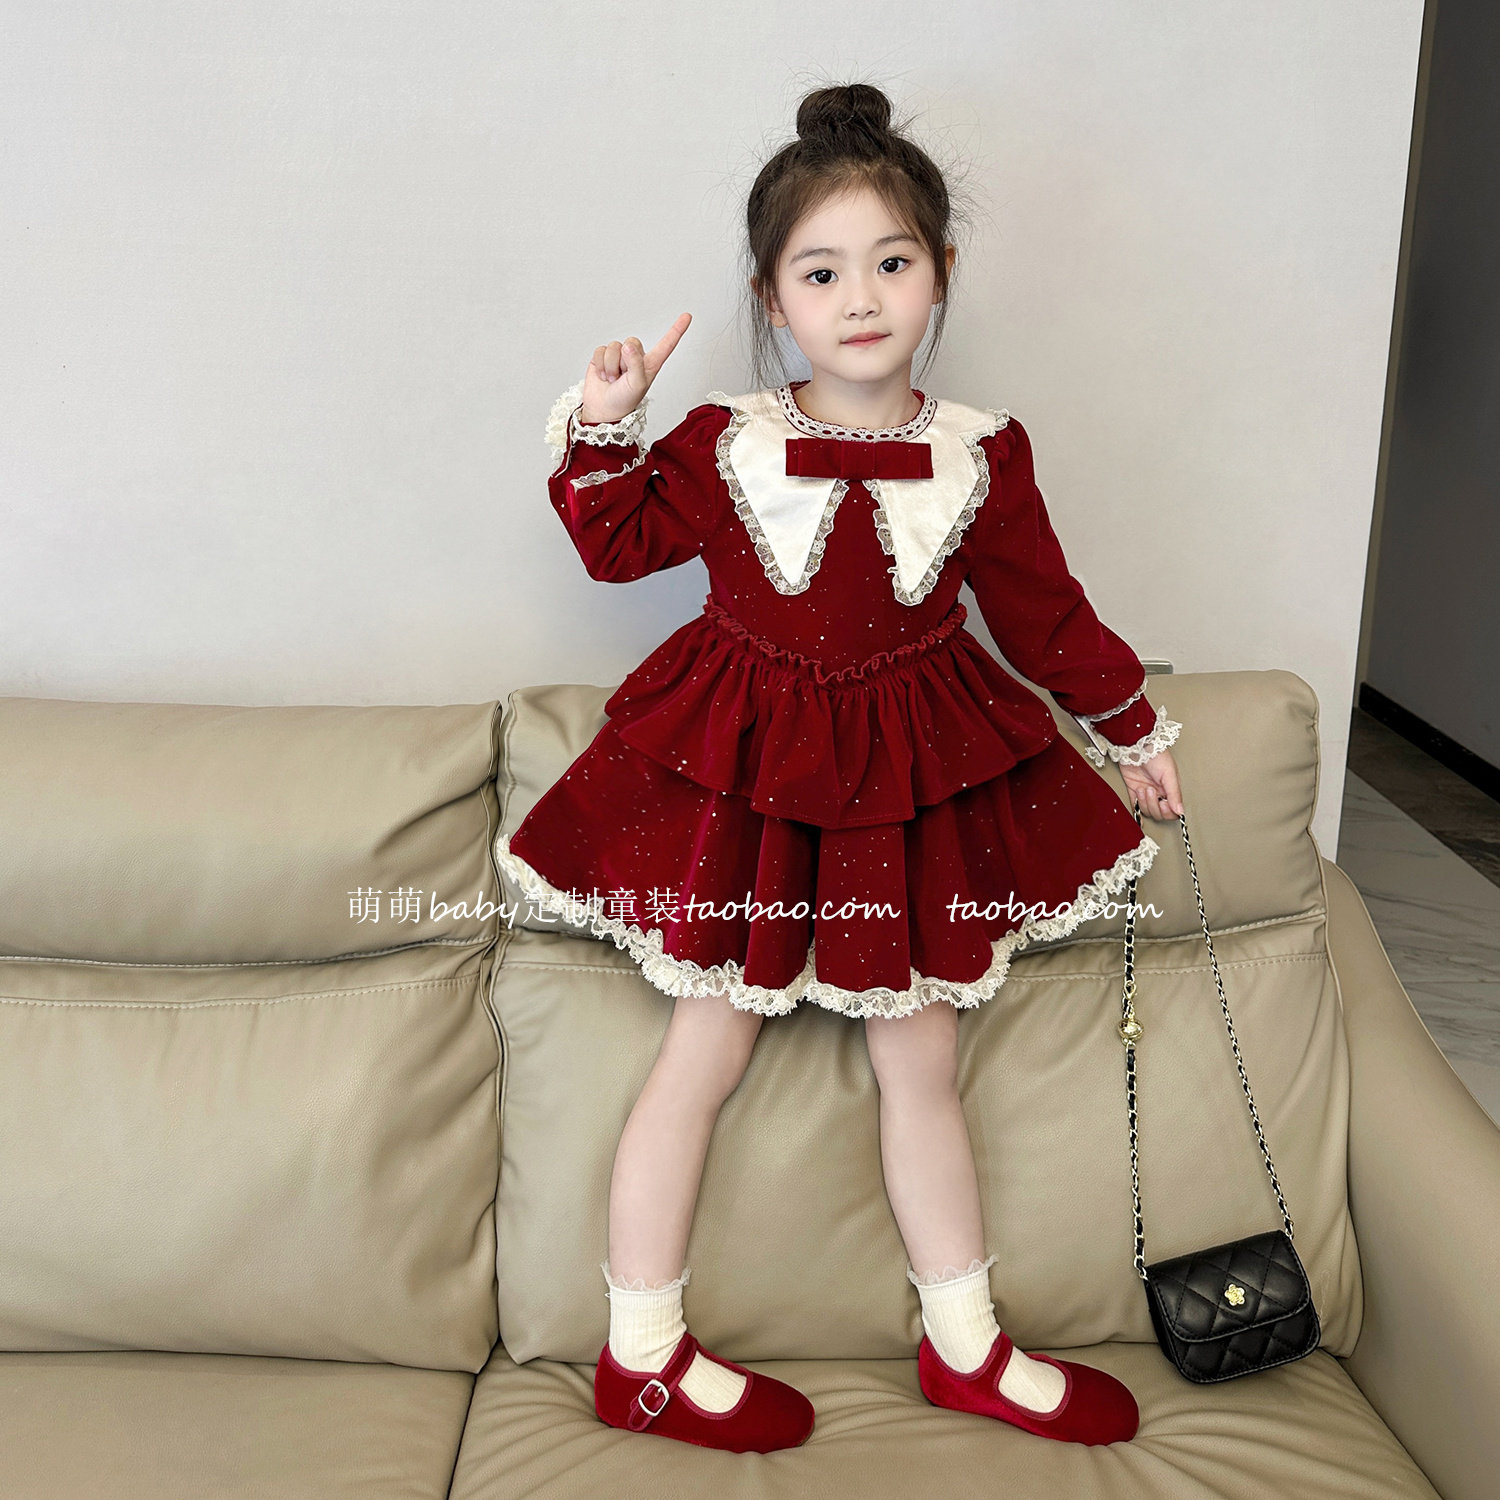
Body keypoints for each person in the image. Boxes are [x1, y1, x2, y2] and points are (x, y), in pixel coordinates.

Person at [496, 80, 1183, 1454]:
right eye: (820, 272)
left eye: (892, 262)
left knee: (920, 1059)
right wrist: (608, 420)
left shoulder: (982, 452)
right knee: (703, 1049)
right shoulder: (724, 440)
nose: (860, 298)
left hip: (907, 786)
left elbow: (1044, 614)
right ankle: (642, 1354)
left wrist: (1128, 730)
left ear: (941, 275)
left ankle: (967, 1344)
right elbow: (617, 545)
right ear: (772, 296)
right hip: (748, 777)